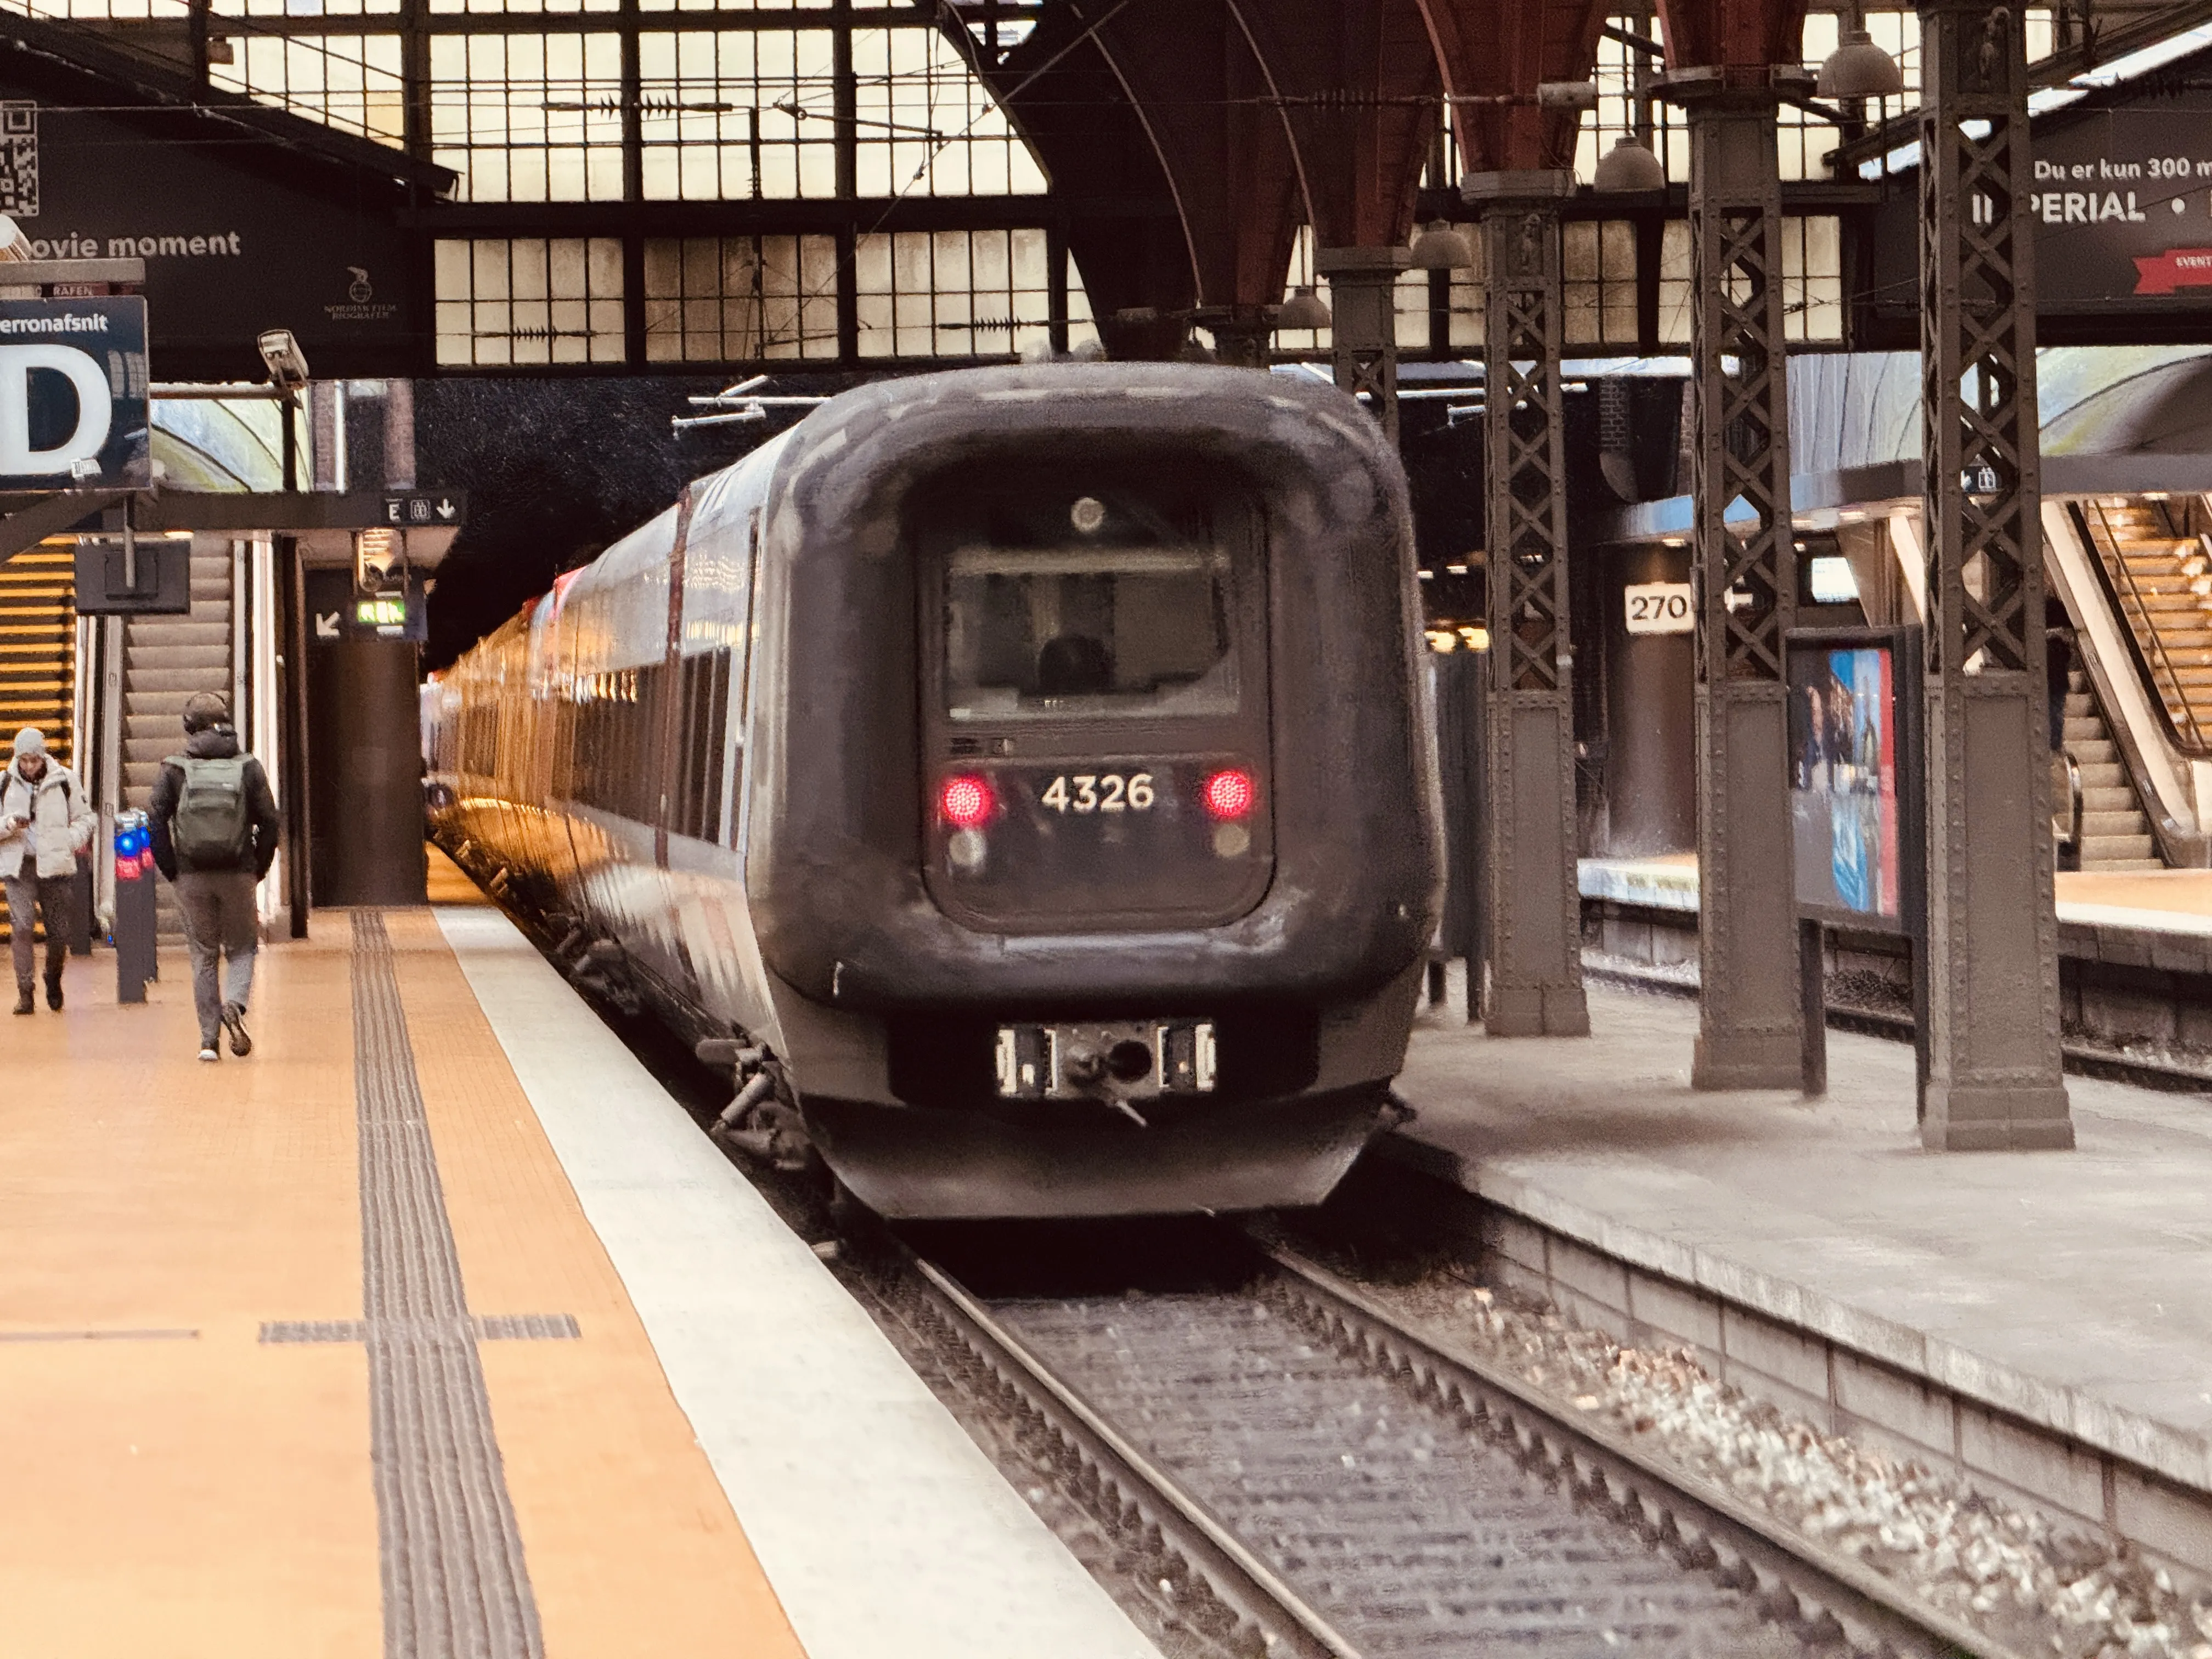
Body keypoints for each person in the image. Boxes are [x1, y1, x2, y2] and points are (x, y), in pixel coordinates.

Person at [148, 693, 280, 1062]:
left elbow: (155, 819)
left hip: (192, 876)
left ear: (189, 727)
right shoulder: (248, 766)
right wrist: (259, 867)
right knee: (242, 949)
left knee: (203, 956)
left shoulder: (174, 768)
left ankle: (208, 1042)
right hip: (238, 873)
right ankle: (235, 1005)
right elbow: (270, 821)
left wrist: (171, 868)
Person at [0, 727, 94, 1014]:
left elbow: (86, 819)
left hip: (56, 866)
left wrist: (69, 841)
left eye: (34, 760)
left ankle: (53, 977)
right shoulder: (5, 782)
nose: (29, 766)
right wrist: (8, 825)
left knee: (58, 932)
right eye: (24, 760)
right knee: (23, 926)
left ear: (43, 757)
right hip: (20, 865)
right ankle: (25, 992)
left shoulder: (65, 780)